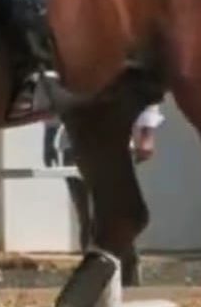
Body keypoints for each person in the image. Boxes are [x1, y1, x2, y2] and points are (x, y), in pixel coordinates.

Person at [43, 103, 166, 286]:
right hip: (74, 141)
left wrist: (147, 131)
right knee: (88, 218)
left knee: (119, 213)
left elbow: (145, 83)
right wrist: (50, 134)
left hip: (116, 141)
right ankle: (94, 287)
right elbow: (56, 89)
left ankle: (128, 282)